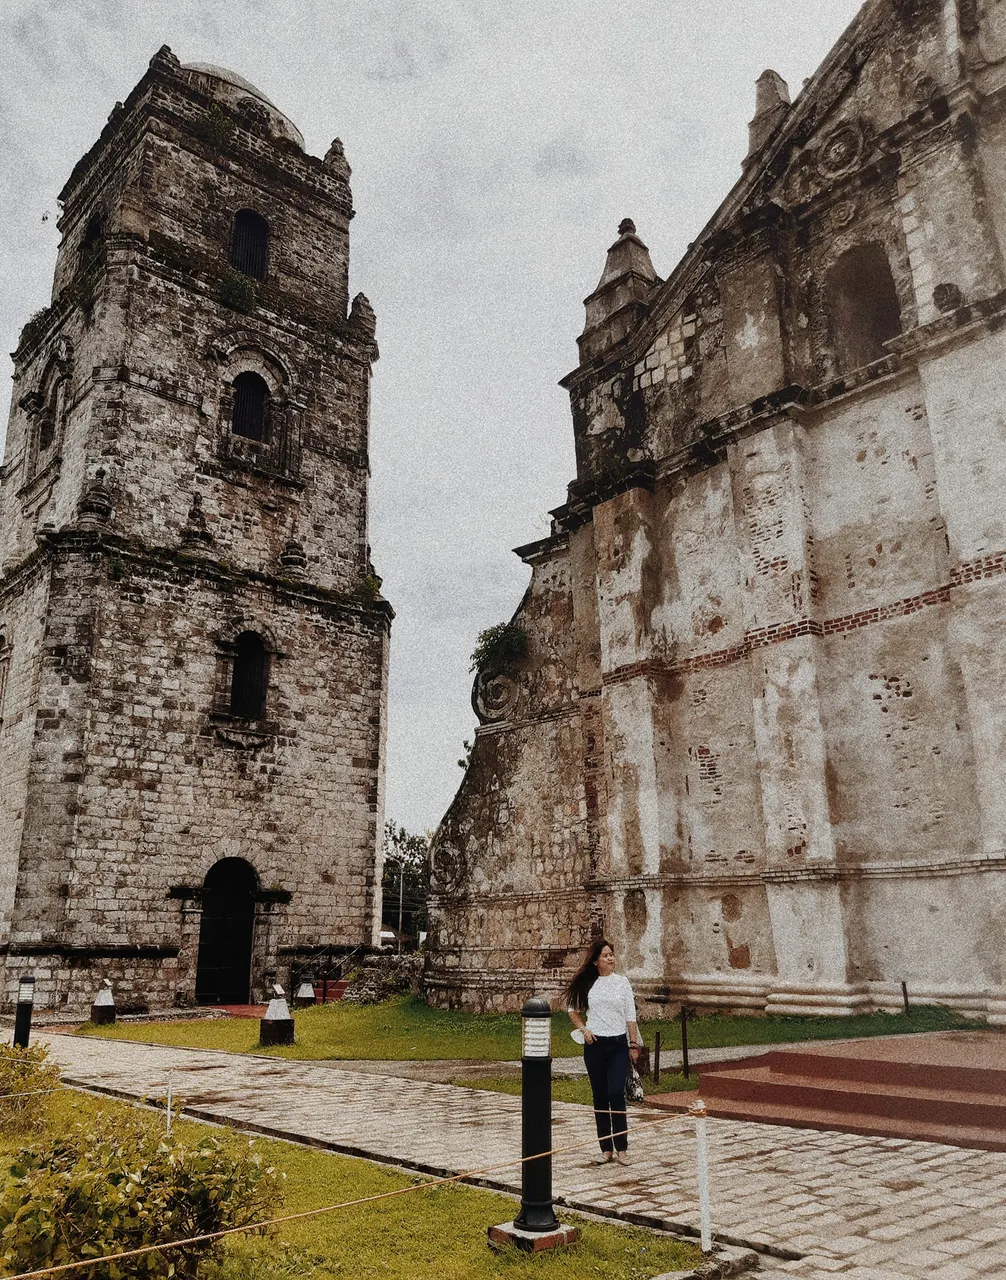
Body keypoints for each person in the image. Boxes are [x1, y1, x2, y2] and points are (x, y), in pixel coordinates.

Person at [566, 938, 644, 1165]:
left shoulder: (622, 982)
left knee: (615, 1094)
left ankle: (622, 1148)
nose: (611, 958)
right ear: (596, 961)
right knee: (599, 1097)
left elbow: (631, 1015)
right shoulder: (588, 983)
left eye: (612, 954)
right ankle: (605, 1148)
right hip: (595, 1046)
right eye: (606, 955)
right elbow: (572, 1009)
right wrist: (583, 1029)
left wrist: (633, 1043)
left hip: (618, 1045)